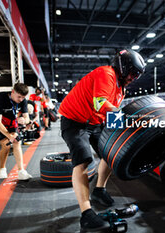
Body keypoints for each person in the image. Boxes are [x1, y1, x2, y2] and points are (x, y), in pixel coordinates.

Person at [58, 49, 146, 232]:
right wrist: (128, 117)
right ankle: (86, 214)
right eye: (133, 73)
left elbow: (108, 112)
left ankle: (99, 190)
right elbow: (100, 103)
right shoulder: (106, 74)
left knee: (110, 152)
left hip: (95, 123)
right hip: (74, 122)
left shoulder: (121, 88)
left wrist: (124, 128)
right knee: (83, 160)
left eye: (136, 75)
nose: (134, 78)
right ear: (123, 67)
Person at [0, 83, 33, 180]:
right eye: (19, 97)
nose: (21, 100)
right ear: (13, 92)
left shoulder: (23, 101)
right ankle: (2, 168)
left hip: (10, 122)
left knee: (17, 142)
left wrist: (24, 120)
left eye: (23, 97)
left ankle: (21, 171)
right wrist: (8, 135)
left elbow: (27, 118)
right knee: (6, 144)